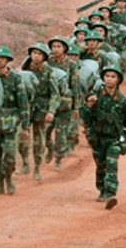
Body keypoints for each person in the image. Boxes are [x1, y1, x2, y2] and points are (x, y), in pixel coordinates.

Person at [80, 64, 126, 209]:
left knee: (111, 164)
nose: (109, 79)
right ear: (103, 78)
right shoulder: (94, 97)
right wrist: (89, 106)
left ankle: (110, 193)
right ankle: (102, 189)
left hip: (114, 139)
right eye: (107, 76)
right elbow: (83, 116)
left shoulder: (123, 100)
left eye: (113, 76)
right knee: (100, 166)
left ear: (118, 80)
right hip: (97, 138)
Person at [0, 45, 30, 195]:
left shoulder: (16, 78)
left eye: (2, 58)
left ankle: (9, 179)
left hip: (11, 122)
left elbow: (23, 103)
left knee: (10, 155)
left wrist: (25, 127)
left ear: (7, 60)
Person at [22, 42, 61, 180]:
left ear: (44, 57)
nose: (36, 56)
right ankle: (25, 163)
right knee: (23, 137)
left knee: (39, 140)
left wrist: (51, 111)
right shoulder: (25, 69)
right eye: (34, 53)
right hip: (26, 107)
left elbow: (55, 94)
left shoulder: (49, 71)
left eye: (39, 54)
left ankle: (37, 167)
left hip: (42, 109)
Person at [46, 35, 79, 170]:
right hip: (48, 104)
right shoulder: (47, 63)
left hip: (64, 104)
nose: (56, 49)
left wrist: (76, 107)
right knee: (45, 132)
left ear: (64, 48)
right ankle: (49, 149)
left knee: (60, 134)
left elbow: (75, 86)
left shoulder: (71, 65)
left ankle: (58, 159)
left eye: (59, 46)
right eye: (54, 46)